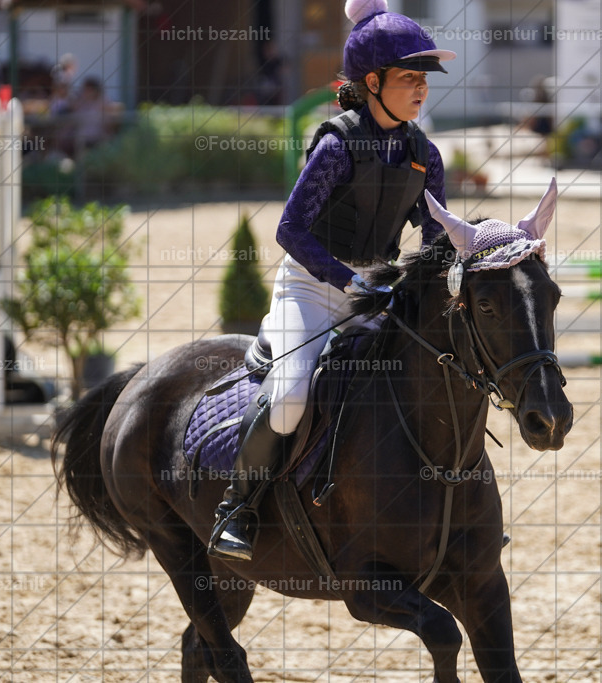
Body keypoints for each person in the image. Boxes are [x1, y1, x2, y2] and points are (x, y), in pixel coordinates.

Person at [208, 0, 454, 561]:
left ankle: (446, 511)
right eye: (409, 77)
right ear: (372, 82)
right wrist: (350, 282)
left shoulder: (425, 155)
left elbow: (437, 235)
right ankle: (237, 508)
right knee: (293, 394)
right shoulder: (337, 145)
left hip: (374, 294)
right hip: (312, 289)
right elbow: (290, 230)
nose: (421, 88)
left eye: (425, 79)